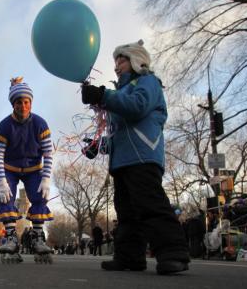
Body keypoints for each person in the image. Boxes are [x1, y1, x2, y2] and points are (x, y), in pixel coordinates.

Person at [81, 40, 190, 275]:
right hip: (121, 161)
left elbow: (137, 107)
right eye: (115, 62)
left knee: (150, 204)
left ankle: (173, 252)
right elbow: (119, 132)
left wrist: (103, 95)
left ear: (136, 60)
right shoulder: (119, 93)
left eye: (121, 60)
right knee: (126, 212)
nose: (116, 66)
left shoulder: (148, 82)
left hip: (143, 155)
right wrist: (97, 145)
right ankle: (130, 256)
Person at [0, 77, 54, 260]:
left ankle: (37, 238)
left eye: (26, 101)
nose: (23, 106)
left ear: (31, 103)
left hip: (34, 168)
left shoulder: (40, 124)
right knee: (6, 197)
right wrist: (2, 181)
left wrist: (46, 178)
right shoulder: (4, 126)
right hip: (10, 167)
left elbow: (48, 153)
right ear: (13, 104)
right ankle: (11, 237)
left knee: (39, 197)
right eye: (19, 102)